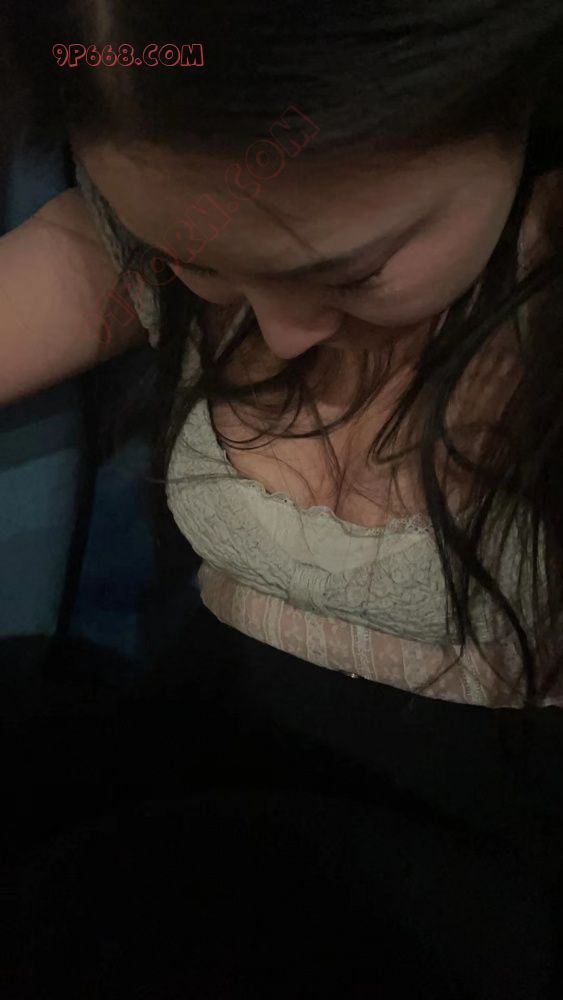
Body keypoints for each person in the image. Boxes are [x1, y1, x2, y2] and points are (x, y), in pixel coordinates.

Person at [2, 2, 563, 997]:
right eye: (199, 262)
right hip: (171, 813)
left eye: (352, 272)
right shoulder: (170, 211)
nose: (280, 330)